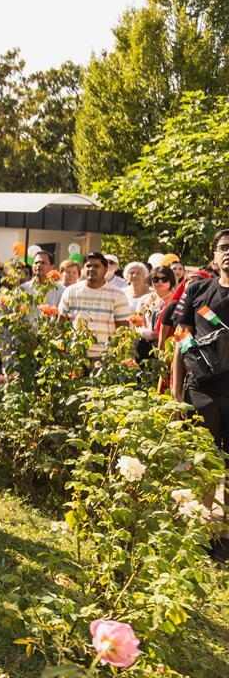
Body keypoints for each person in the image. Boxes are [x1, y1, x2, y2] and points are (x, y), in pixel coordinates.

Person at [170, 229, 229, 562]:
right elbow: (182, 343)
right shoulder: (198, 290)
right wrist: (175, 395)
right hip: (201, 392)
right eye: (224, 247)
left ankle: (225, 537)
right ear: (214, 255)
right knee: (201, 465)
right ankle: (201, 532)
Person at [58, 253, 131, 361]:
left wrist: (119, 356)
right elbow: (61, 321)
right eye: (88, 266)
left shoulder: (117, 294)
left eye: (96, 266)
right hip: (75, 354)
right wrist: (63, 349)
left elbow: (123, 328)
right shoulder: (71, 291)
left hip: (105, 356)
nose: (91, 269)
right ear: (83, 269)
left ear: (105, 270)